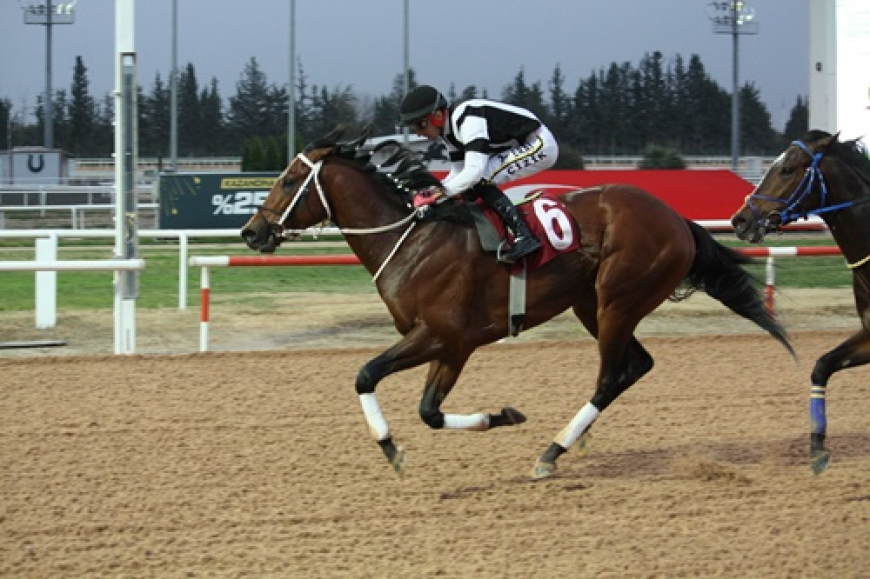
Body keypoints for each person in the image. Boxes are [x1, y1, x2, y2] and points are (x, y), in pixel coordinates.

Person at [399, 84, 559, 264]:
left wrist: (437, 194)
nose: (419, 133)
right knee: (468, 186)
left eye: (421, 124)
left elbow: (473, 173)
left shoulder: (468, 119)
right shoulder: (448, 133)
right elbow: (457, 174)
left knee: (479, 179)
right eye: (414, 127)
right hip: (520, 145)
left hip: (539, 143)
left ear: (437, 116)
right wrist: (431, 193)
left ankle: (525, 235)